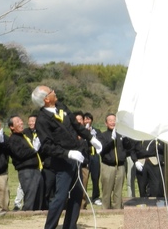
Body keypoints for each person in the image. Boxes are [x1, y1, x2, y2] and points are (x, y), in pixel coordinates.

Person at [32, 85, 103, 229]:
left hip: (76, 159)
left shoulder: (61, 106)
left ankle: (70, 226)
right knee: (61, 196)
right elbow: (47, 146)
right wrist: (67, 153)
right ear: (46, 99)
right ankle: (50, 226)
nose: (54, 92)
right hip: (62, 161)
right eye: (51, 92)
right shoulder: (42, 120)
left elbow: (76, 125)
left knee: (77, 195)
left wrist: (90, 138)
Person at [7, 115, 44, 211]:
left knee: (38, 196)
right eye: (18, 122)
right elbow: (20, 154)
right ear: (11, 127)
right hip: (26, 171)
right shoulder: (13, 139)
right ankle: (26, 216)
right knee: (30, 197)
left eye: (21, 121)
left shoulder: (23, 136)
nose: (21, 123)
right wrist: (33, 149)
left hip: (35, 169)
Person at [97, 113, 127, 209]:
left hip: (120, 166)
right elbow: (101, 149)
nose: (112, 122)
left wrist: (126, 139)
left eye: (114, 120)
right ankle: (105, 209)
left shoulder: (121, 135)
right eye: (110, 120)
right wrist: (111, 139)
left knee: (118, 191)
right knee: (107, 190)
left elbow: (128, 148)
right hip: (108, 166)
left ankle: (117, 209)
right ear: (106, 123)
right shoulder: (102, 135)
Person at [84, 112, 102, 206]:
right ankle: (84, 197)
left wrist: (93, 134)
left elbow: (100, 142)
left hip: (95, 156)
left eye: (89, 119)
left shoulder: (97, 130)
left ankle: (95, 197)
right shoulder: (81, 130)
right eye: (85, 119)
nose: (87, 121)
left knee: (95, 178)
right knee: (85, 177)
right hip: (86, 156)